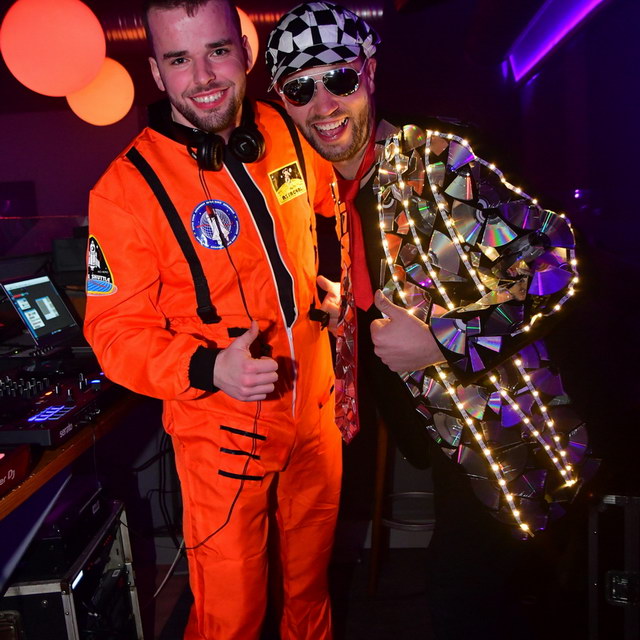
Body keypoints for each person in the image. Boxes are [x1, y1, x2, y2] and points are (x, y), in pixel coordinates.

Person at [266, 3, 596, 639]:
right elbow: (407, 279)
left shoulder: (435, 161)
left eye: (339, 78)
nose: (324, 104)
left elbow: (558, 260)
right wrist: (345, 309)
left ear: (368, 72)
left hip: (509, 445)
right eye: (301, 89)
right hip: (447, 446)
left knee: (471, 606)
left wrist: (445, 341)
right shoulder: (334, 190)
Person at [83, 1, 342, 638]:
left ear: (246, 52)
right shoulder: (124, 190)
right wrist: (208, 368)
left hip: (315, 408)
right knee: (232, 615)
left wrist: (333, 281)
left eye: (217, 51)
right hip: (222, 436)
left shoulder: (286, 130)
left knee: (309, 592)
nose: (202, 76)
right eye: (179, 59)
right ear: (156, 71)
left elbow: (327, 210)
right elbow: (113, 333)